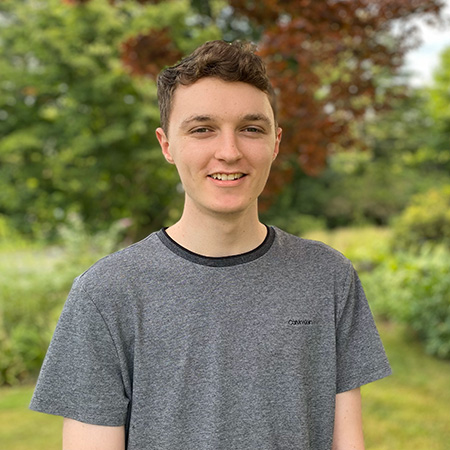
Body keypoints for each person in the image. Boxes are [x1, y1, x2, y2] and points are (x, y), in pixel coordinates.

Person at [30, 40, 391, 450]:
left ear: (275, 143)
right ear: (167, 145)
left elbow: (348, 441)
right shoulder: (106, 293)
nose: (229, 152)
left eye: (251, 129)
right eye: (202, 129)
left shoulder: (327, 277)